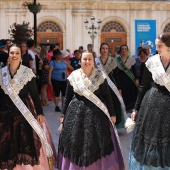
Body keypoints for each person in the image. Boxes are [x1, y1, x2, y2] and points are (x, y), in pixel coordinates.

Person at [57, 51, 124, 170]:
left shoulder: (100, 76)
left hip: (97, 114)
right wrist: (63, 113)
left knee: (96, 142)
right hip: (76, 113)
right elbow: (67, 96)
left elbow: (108, 97)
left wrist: (112, 114)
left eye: (90, 59)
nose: (87, 62)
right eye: (84, 59)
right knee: (75, 141)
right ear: (80, 61)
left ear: (93, 61)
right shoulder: (74, 75)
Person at [0, 44, 57, 170]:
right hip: (5, 112)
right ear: (8, 55)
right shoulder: (1, 73)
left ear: (21, 56)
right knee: (6, 139)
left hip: (23, 111)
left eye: (17, 53)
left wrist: (40, 113)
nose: (14, 55)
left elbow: (35, 95)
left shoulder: (27, 72)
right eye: (12, 53)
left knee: (23, 139)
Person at [129, 32, 170, 169]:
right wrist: (136, 108)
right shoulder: (152, 62)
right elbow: (143, 86)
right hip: (151, 105)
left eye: (159, 45)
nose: (156, 48)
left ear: (168, 46)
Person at [95, 43, 126, 129]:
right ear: (100, 50)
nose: (105, 50)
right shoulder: (95, 61)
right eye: (103, 48)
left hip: (110, 84)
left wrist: (119, 88)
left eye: (106, 48)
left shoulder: (112, 61)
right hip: (98, 83)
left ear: (108, 50)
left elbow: (116, 75)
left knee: (112, 102)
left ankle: (113, 124)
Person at [115, 45, 138, 111]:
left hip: (129, 79)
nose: (124, 50)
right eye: (122, 49)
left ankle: (131, 107)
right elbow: (116, 71)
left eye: (125, 49)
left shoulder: (132, 59)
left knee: (130, 93)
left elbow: (134, 70)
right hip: (120, 79)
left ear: (127, 50)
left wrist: (136, 79)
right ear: (121, 51)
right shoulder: (117, 59)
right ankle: (123, 107)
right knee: (123, 93)